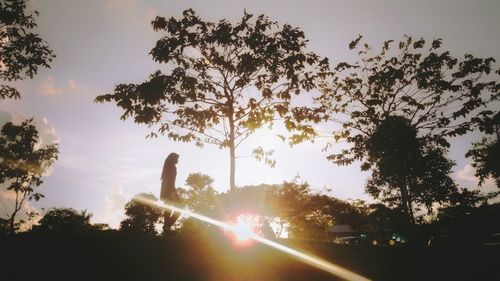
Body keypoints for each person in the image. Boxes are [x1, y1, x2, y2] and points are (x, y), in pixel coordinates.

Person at [161, 152, 180, 234]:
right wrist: (175, 193)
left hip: (166, 191)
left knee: (167, 210)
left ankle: (166, 227)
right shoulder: (172, 167)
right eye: (177, 158)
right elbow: (170, 182)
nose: (178, 160)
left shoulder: (167, 167)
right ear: (173, 159)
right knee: (179, 208)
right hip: (170, 191)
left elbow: (166, 182)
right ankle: (167, 227)